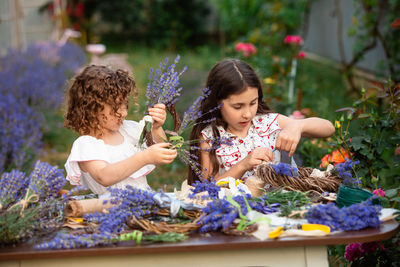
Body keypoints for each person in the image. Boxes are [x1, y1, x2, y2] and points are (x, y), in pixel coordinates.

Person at [188, 59, 335, 184]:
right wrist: (243, 165)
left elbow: (328, 129)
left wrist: (298, 125)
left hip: (278, 206)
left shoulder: (268, 123)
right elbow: (207, 188)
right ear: (217, 102)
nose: (247, 114)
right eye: (237, 106)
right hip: (235, 210)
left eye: (253, 103)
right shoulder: (210, 137)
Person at [64, 65, 177, 195]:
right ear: (91, 109)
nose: (123, 112)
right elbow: (104, 176)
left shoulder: (128, 130)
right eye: (115, 106)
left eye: (124, 104)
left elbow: (160, 148)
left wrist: (156, 128)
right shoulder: (86, 144)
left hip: (145, 204)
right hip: (112, 210)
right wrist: (144, 157)